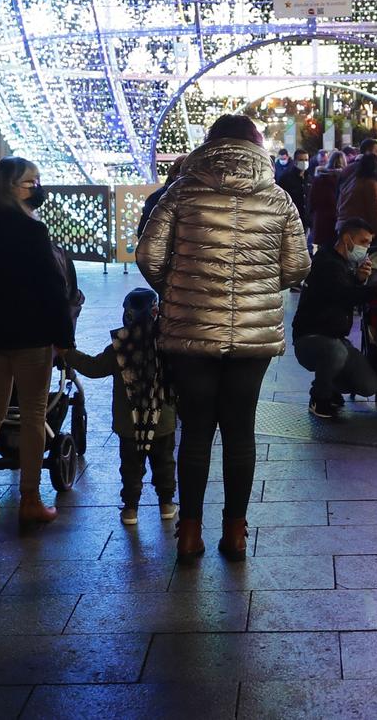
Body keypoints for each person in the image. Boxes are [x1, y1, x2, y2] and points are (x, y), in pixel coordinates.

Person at [137, 113, 309, 561]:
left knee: (195, 431)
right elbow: (297, 267)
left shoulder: (182, 191)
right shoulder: (278, 199)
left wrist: (177, 292)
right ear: (256, 146)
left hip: (190, 329)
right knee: (240, 431)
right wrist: (260, 286)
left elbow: (149, 255)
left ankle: (189, 534)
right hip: (253, 335)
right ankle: (234, 533)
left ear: (210, 145)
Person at [0, 156, 75, 525]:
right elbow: (52, 288)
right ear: (11, 187)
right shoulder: (31, 231)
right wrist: (63, 338)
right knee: (34, 413)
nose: (37, 189)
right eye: (30, 183)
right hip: (29, 334)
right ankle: (30, 498)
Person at [64, 287, 178, 527]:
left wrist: (67, 354)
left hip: (128, 424)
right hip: (163, 421)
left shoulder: (119, 347)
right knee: (164, 464)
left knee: (131, 467)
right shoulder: (167, 344)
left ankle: (130, 509)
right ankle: (167, 503)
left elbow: (94, 367)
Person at [294, 216, 377, 418]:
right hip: (311, 339)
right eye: (363, 242)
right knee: (336, 353)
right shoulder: (326, 263)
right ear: (347, 239)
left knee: (368, 385)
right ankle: (319, 398)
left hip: (335, 338)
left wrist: (358, 280)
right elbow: (343, 295)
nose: (366, 248)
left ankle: (330, 383)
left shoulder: (342, 263)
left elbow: (344, 293)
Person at [338, 151, 377, 235]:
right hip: (360, 226)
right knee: (363, 248)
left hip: (343, 223)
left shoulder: (352, 180)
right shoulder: (371, 183)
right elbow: (374, 208)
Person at [307, 151, 344, 255]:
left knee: (323, 253)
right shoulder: (345, 180)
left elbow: (312, 201)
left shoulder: (319, 179)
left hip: (322, 222)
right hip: (340, 222)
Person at [277, 148, 311, 234]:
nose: (304, 162)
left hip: (306, 221)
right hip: (292, 221)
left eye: (306, 160)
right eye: (301, 160)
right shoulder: (286, 178)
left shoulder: (309, 177)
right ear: (295, 161)